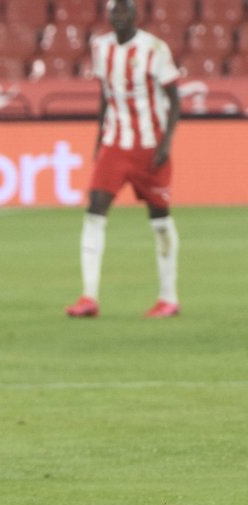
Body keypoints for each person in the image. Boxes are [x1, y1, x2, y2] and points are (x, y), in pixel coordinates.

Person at [67, 0, 182, 319]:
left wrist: (166, 143)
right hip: (115, 144)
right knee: (94, 211)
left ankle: (168, 298)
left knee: (159, 220)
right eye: (113, 12)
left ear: (135, 15)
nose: (118, 17)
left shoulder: (154, 49)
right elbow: (105, 94)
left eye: (123, 12)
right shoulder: (101, 48)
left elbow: (175, 99)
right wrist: (98, 139)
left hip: (149, 147)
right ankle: (89, 296)